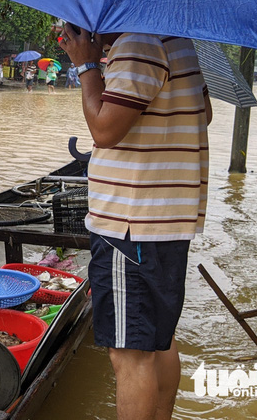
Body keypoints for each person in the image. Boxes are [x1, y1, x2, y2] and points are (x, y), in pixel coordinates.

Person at [60, 24, 212, 420]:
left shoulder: (138, 45)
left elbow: (104, 129)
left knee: (129, 354)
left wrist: (88, 65)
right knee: (158, 341)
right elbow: (205, 113)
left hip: (130, 225)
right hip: (165, 220)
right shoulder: (176, 41)